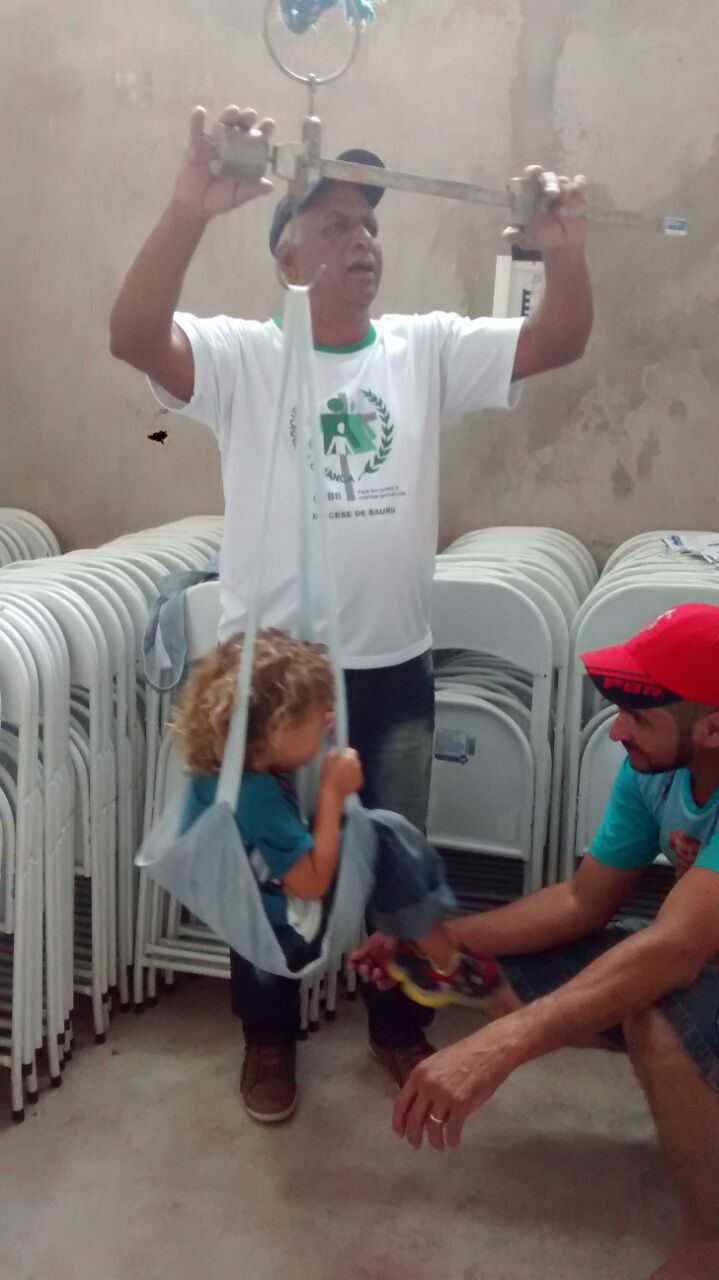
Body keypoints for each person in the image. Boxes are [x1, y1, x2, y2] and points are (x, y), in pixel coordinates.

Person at [109, 103, 593, 1123]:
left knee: (392, 856)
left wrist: (561, 248)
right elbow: (133, 336)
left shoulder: (421, 349)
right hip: (272, 684)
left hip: (391, 666)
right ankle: (268, 1036)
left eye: (369, 223)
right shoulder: (244, 357)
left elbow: (558, 339)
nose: (362, 239)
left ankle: (395, 1022)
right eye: (334, 223)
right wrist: (190, 206)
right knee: (272, 866)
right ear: (285, 252)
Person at [353, 604, 719, 1280]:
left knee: (660, 1018)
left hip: (693, 949)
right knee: (495, 975)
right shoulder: (654, 769)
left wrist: (496, 1049)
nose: (617, 731)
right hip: (700, 947)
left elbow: (675, 950)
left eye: (639, 718)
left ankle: (710, 1241)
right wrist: (442, 938)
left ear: (712, 728)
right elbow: (582, 901)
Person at [173, 628, 499, 1075]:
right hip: (288, 919)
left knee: (376, 837)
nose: (325, 720)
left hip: (257, 900)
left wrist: (311, 736)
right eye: (314, 718)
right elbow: (311, 883)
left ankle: (423, 947)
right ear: (274, 730)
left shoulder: (232, 772)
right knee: (385, 835)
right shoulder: (259, 798)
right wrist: (331, 792)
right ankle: (438, 952)